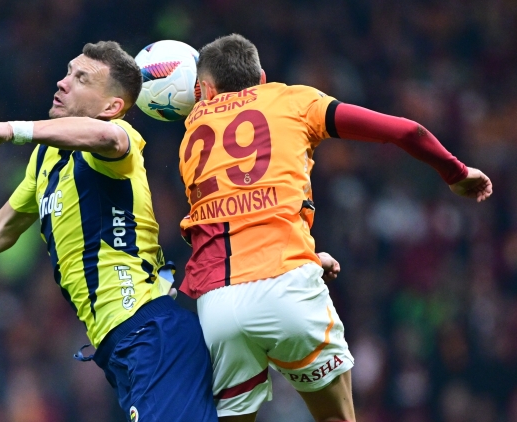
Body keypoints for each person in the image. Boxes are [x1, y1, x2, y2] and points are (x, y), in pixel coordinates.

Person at [0, 41, 218, 422]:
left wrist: (12, 130)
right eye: (68, 72)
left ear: (111, 107)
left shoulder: (120, 138)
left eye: (81, 78)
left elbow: (106, 139)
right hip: (123, 346)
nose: (63, 82)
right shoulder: (45, 158)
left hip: (150, 331)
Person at [178, 34, 493, 422]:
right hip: (286, 286)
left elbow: (238, 218)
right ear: (261, 79)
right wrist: (456, 172)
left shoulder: (192, 130)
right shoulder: (293, 100)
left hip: (218, 304)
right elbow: (407, 131)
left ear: (206, 91)